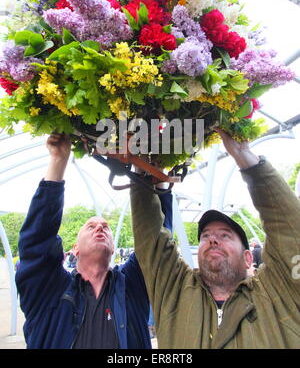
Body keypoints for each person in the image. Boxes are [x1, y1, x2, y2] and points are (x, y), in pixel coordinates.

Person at [130, 128, 300, 348]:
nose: (212, 240)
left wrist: (247, 159)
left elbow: (290, 231)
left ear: (248, 257)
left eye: (225, 235)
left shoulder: (278, 293)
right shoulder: (175, 290)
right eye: (206, 235)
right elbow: (149, 238)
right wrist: (144, 166)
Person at [15, 133, 170, 349]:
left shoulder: (132, 285)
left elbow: (155, 243)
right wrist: (59, 160)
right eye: (91, 226)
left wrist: (157, 179)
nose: (100, 227)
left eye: (105, 227)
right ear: (75, 249)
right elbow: (36, 242)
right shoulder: (50, 290)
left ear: (113, 249)